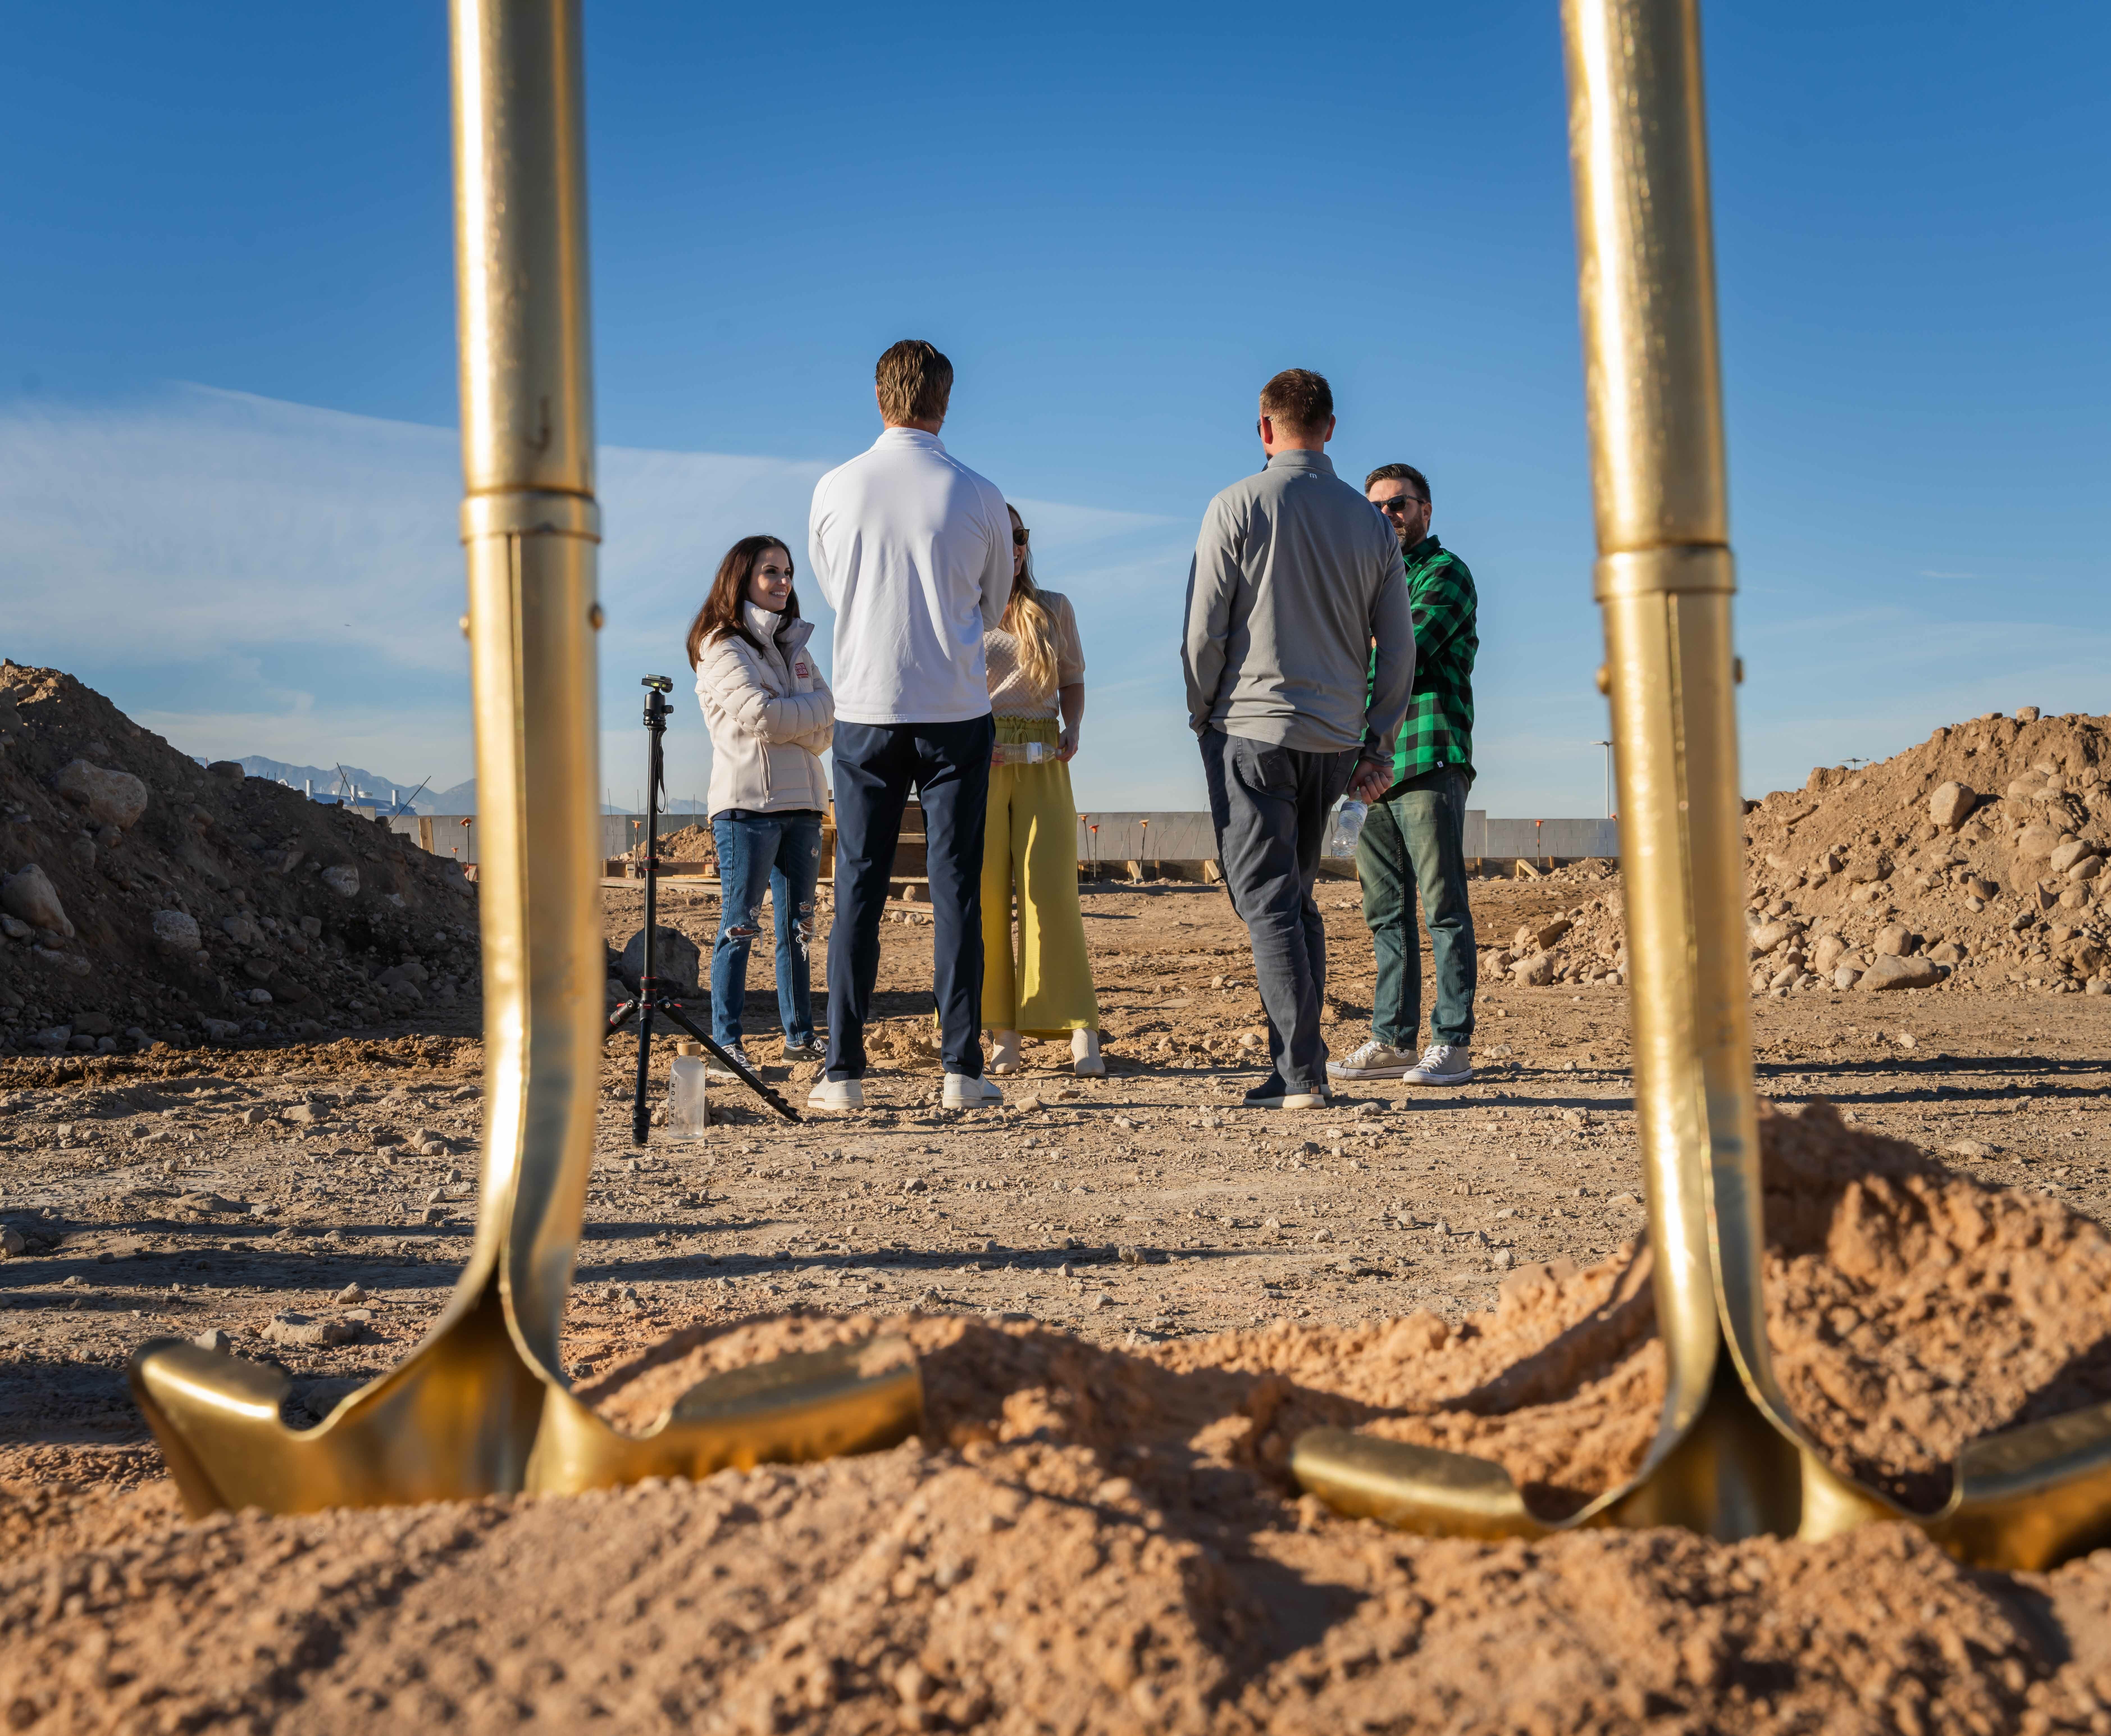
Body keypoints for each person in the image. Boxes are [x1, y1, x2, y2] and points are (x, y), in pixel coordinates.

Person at [1182, 369, 1413, 1110]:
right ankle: (1301, 1059)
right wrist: (1376, 738)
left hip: (1251, 728)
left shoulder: (1237, 505)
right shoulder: (1371, 522)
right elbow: (1399, 646)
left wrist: (1201, 712)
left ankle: (1298, 1075)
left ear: (1262, 427)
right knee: (1296, 895)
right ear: (1331, 428)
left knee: (1267, 900)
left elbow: (1203, 630)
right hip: (1335, 739)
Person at [806, 339, 1013, 1113]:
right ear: (945, 401)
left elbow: (834, 588)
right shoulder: (980, 492)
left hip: (865, 705)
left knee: (857, 884)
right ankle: (960, 1066)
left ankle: (842, 1070)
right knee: (956, 885)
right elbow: (991, 605)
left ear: (877, 395)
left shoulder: (833, 487)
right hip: (956, 707)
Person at [1329, 463, 1481, 1087]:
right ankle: (1392, 1039)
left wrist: (1345, 670)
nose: (1387, 517)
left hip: (1427, 754)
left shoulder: (1445, 575)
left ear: (1425, 511)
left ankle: (1452, 1042)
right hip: (1372, 766)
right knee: (1385, 913)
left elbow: (1403, 656)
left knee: (1443, 907)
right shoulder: (1367, 586)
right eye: (1377, 509)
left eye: (1399, 505)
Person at [686, 535, 833, 1071]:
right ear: (742, 578)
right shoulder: (721, 646)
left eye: (788, 572)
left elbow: (828, 723)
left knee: (798, 930)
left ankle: (799, 1034)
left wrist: (795, 714)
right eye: (771, 572)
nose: (784, 582)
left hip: (803, 804)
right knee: (740, 925)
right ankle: (727, 1041)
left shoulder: (796, 646)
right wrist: (803, 712)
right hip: (746, 807)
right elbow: (763, 718)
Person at [981, 504, 1102, 1076]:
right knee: (980, 899)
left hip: (1045, 755)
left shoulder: (1054, 607)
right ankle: (1001, 1033)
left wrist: (1074, 725)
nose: (1015, 547)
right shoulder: (959, 611)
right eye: (1002, 537)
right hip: (979, 763)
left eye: (1021, 536)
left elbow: (1073, 680)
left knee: (1050, 893)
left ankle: (1080, 1027)